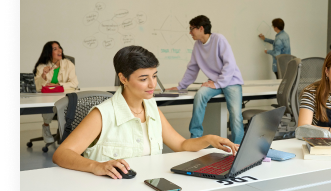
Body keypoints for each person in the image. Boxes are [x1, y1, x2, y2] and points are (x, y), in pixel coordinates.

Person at [52, 45, 239, 180]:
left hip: (147, 187)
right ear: (123, 78)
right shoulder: (102, 114)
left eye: (155, 76)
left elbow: (181, 144)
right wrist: (96, 166)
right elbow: (62, 154)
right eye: (143, 78)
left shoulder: (152, 109)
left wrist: (209, 139)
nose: (152, 85)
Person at [166, 15, 245, 144]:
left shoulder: (219, 39)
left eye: (192, 29)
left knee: (236, 115)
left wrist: (218, 83)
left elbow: (229, 64)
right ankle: (195, 137)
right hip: (215, 82)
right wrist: (181, 86)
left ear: (201, 28)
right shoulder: (197, 45)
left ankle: (237, 146)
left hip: (231, 81)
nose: (190, 32)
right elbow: (192, 68)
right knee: (200, 95)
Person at [33, 41, 79, 143]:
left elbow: (74, 83)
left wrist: (58, 85)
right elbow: (37, 87)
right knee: (48, 102)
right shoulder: (42, 67)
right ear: (49, 53)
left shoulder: (68, 64)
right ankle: (46, 127)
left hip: (65, 95)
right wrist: (43, 75)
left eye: (59, 48)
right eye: (55, 49)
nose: (59, 50)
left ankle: (69, 132)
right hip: (49, 97)